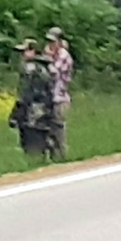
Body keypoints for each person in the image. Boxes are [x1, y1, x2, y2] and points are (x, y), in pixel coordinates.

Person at [7, 39, 57, 158]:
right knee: (42, 139)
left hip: (31, 112)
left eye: (25, 51)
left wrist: (16, 112)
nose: (22, 55)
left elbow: (25, 93)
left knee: (31, 146)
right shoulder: (46, 67)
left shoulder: (29, 69)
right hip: (45, 109)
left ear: (33, 51)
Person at [43, 27, 74, 160]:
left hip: (59, 98)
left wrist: (47, 57)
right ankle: (53, 157)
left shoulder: (63, 55)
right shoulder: (52, 55)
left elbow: (53, 72)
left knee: (58, 128)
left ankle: (62, 156)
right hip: (49, 97)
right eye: (49, 41)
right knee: (47, 129)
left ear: (60, 42)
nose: (51, 44)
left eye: (53, 41)